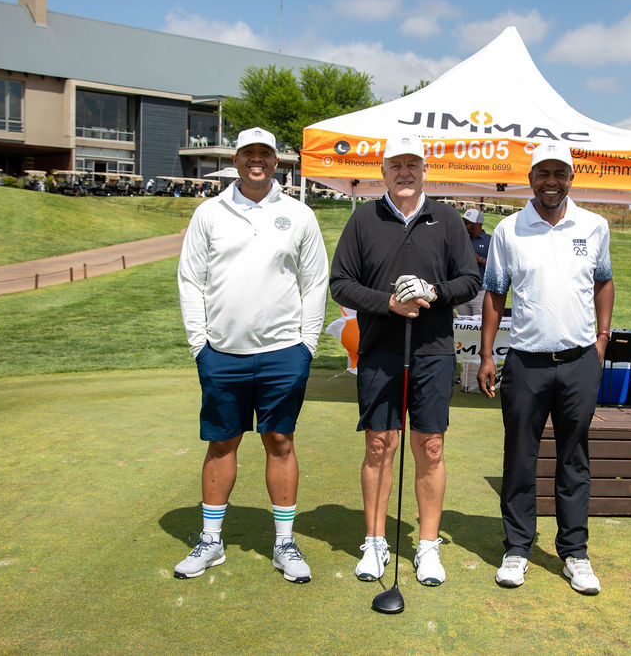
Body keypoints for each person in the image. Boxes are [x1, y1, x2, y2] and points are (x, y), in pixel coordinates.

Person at [174, 127, 329, 584]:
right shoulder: (210, 212)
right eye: (248, 153)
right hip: (223, 352)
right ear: (236, 160)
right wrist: (199, 345)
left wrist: (306, 346)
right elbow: (190, 279)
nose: (256, 160)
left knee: (280, 441)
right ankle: (211, 541)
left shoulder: (298, 214)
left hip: (283, 352)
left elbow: (315, 282)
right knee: (222, 443)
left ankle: (284, 543)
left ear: (276, 161)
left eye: (265, 154)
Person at [329, 135, 480, 587]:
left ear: (425, 170)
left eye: (412, 164)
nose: (404, 172)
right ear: (383, 171)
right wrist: (388, 303)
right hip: (380, 350)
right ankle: (375, 541)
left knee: (430, 446)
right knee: (380, 445)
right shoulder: (364, 218)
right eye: (395, 165)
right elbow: (341, 283)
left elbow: (470, 280)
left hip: (433, 351)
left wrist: (435, 292)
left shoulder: (447, 218)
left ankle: (427, 545)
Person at [477, 142, 614, 595]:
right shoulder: (508, 229)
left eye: (559, 173)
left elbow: (603, 281)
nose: (550, 181)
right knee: (520, 458)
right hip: (526, 362)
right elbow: (495, 293)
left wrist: (602, 339)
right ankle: (517, 548)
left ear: (571, 178)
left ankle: (575, 553)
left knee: (574, 458)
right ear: (530, 178)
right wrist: (486, 354)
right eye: (543, 173)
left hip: (579, 361)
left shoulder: (594, 226)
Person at [454, 208, 491, 317]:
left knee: (479, 325)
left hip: (480, 293)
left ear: (477, 225)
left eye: (467, 223)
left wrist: (479, 259)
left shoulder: (490, 240)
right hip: (463, 292)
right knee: (463, 325)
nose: (464, 225)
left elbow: (497, 267)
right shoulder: (462, 239)